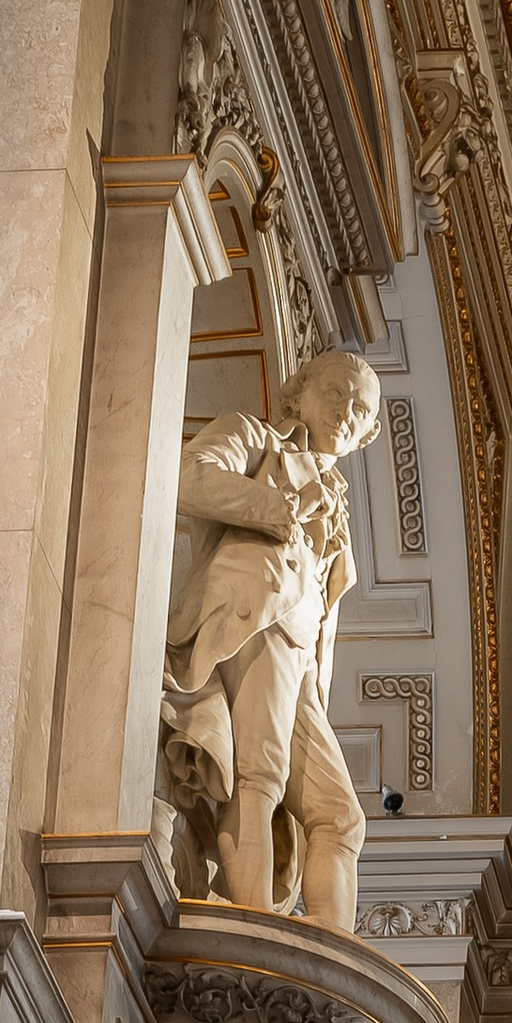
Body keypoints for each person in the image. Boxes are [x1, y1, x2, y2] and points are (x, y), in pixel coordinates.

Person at [161, 351, 382, 927]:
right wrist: (283, 509)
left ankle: (331, 946)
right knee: (259, 772)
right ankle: (253, 926)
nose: (345, 413)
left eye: (359, 410)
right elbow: (188, 477)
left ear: (370, 434)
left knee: (341, 818)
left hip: (301, 649)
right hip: (254, 620)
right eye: (335, 393)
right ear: (298, 392)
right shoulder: (255, 439)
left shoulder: (339, 512)